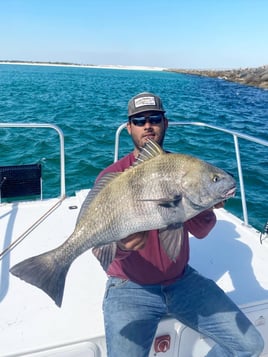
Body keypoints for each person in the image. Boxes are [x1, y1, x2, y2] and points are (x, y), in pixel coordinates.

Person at [92, 92, 264, 357]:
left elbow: (201, 231)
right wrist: (123, 246)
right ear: (129, 128)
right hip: (130, 286)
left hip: (181, 280)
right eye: (139, 120)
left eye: (154, 118)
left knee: (250, 344)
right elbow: (98, 247)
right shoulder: (112, 176)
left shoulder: (188, 170)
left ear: (165, 123)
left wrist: (206, 204)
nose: (147, 125)